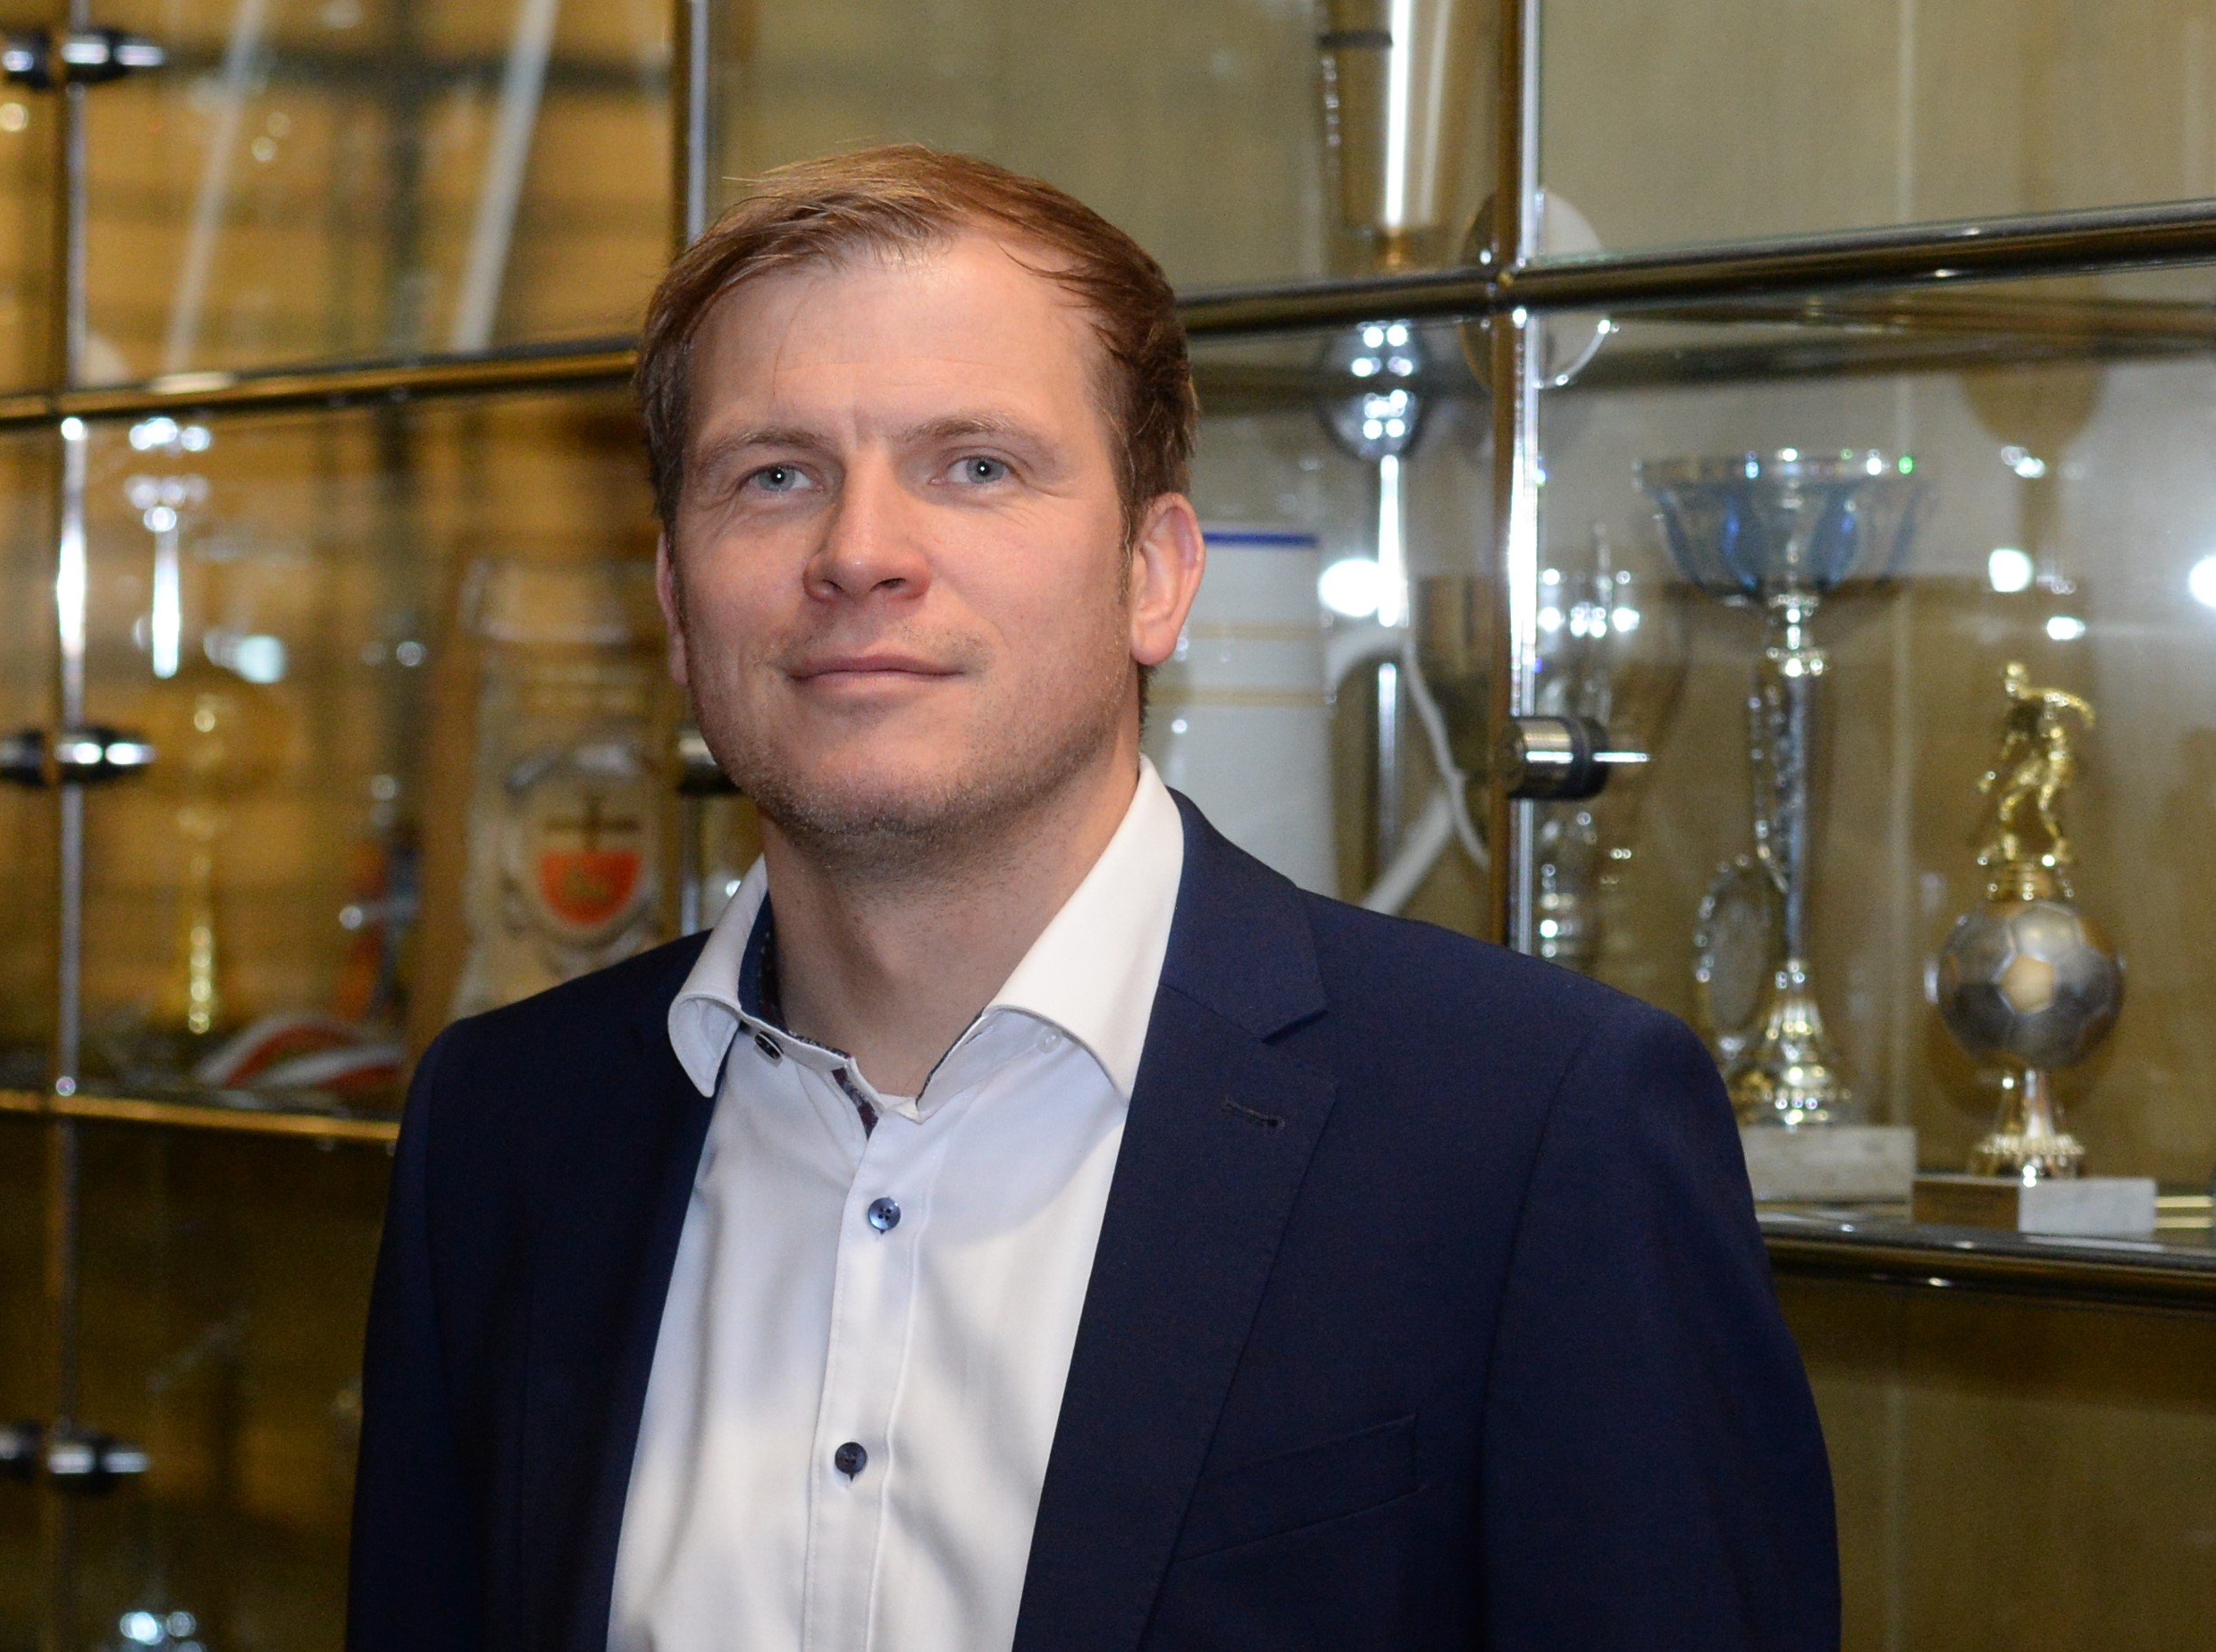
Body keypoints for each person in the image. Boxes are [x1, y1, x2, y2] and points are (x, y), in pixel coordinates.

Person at [348, 146, 1839, 1652]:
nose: (859, 553)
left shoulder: (1533, 1130)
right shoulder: (503, 1134)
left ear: (1155, 574)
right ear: (676, 602)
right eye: (775, 475)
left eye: (976, 466)